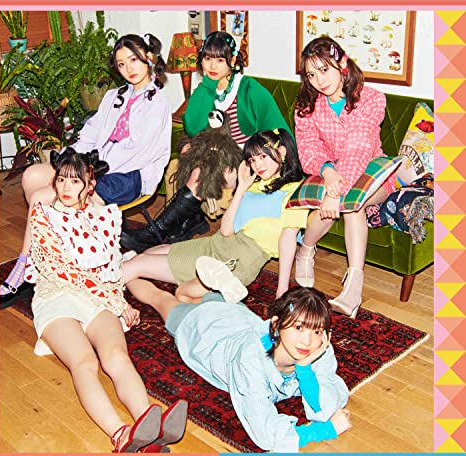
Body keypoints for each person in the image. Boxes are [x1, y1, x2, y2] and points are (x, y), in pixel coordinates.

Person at [25, 148, 187, 453]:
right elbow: (68, 273)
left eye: (75, 181)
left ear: (90, 184)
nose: (66, 187)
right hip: (57, 297)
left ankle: (150, 428)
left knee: (117, 357)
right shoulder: (43, 216)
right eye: (61, 180)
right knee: (84, 362)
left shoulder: (105, 217)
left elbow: (111, 267)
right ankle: (120, 434)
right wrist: (118, 304)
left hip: (98, 298)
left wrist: (119, 300)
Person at [0, 33, 171, 309]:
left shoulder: (157, 101)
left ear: (149, 58)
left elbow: (136, 150)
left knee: (43, 198)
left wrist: (87, 171)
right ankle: (48, 258)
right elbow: (91, 133)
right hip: (95, 166)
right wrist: (71, 157)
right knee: (33, 176)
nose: (129, 68)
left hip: (130, 175)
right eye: (121, 64)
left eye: (134, 60)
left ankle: (24, 267)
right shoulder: (114, 96)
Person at [127, 280, 351, 452]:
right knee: (161, 298)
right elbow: (265, 433)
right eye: (299, 328)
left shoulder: (318, 348)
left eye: (317, 331)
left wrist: (304, 370)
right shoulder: (249, 361)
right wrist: (323, 431)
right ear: (276, 325)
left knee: (204, 298)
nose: (307, 341)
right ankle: (124, 270)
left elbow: (329, 402)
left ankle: (197, 289)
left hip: (237, 314)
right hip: (203, 328)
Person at [121, 31, 292, 251]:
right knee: (178, 164)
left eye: (220, 60)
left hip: (245, 162)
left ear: (232, 60)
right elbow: (192, 127)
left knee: (200, 172)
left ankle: (155, 232)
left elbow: (280, 133)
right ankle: (187, 223)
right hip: (215, 154)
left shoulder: (250, 90)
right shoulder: (205, 89)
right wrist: (208, 87)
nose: (212, 65)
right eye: (207, 58)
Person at [122, 128, 307, 302]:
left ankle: (105, 293)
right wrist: (242, 187)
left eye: (262, 157)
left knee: (139, 263)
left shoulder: (295, 192)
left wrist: (282, 289)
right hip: (216, 244)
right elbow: (226, 229)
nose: (257, 165)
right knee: (147, 254)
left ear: (282, 152)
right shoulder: (255, 184)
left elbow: (288, 240)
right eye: (252, 160)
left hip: (235, 261)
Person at [294, 37, 396, 318]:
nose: (319, 81)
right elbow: (308, 148)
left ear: (342, 62)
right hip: (329, 170)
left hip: (372, 170)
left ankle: (353, 288)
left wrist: (335, 193)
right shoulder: (308, 105)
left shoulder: (372, 99)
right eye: (311, 75)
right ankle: (306, 250)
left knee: (351, 204)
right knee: (348, 204)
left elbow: (358, 147)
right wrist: (327, 171)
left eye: (324, 70)